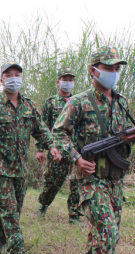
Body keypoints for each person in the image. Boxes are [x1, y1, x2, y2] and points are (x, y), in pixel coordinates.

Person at [52, 46, 135, 254]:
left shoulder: (121, 102)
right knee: (108, 234)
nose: (113, 73)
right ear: (93, 71)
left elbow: (121, 138)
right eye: (108, 68)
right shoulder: (79, 101)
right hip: (91, 179)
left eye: (117, 68)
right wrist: (76, 158)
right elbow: (58, 132)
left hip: (115, 180)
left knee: (103, 236)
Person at [0, 62, 61, 254]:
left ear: (22, 78)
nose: (13, 78)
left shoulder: (29, 105)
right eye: (8, 74)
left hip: (21, 169)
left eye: (17, 74)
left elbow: (41, 129)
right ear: (2, 80)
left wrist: (52, 146)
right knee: (10, 211)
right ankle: (19, 251)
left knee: (13, 211)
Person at [35, 66, 82, 223]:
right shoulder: (50, 103)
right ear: (58, 82)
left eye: (71, 80)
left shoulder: (79, 102)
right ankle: (43, 205)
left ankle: (75, 215)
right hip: (57, 149)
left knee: (76, 182)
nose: (68, 82)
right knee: (54, 180)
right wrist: (41, 149)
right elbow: (43, 127)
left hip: (75, 149)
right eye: (65, 79)